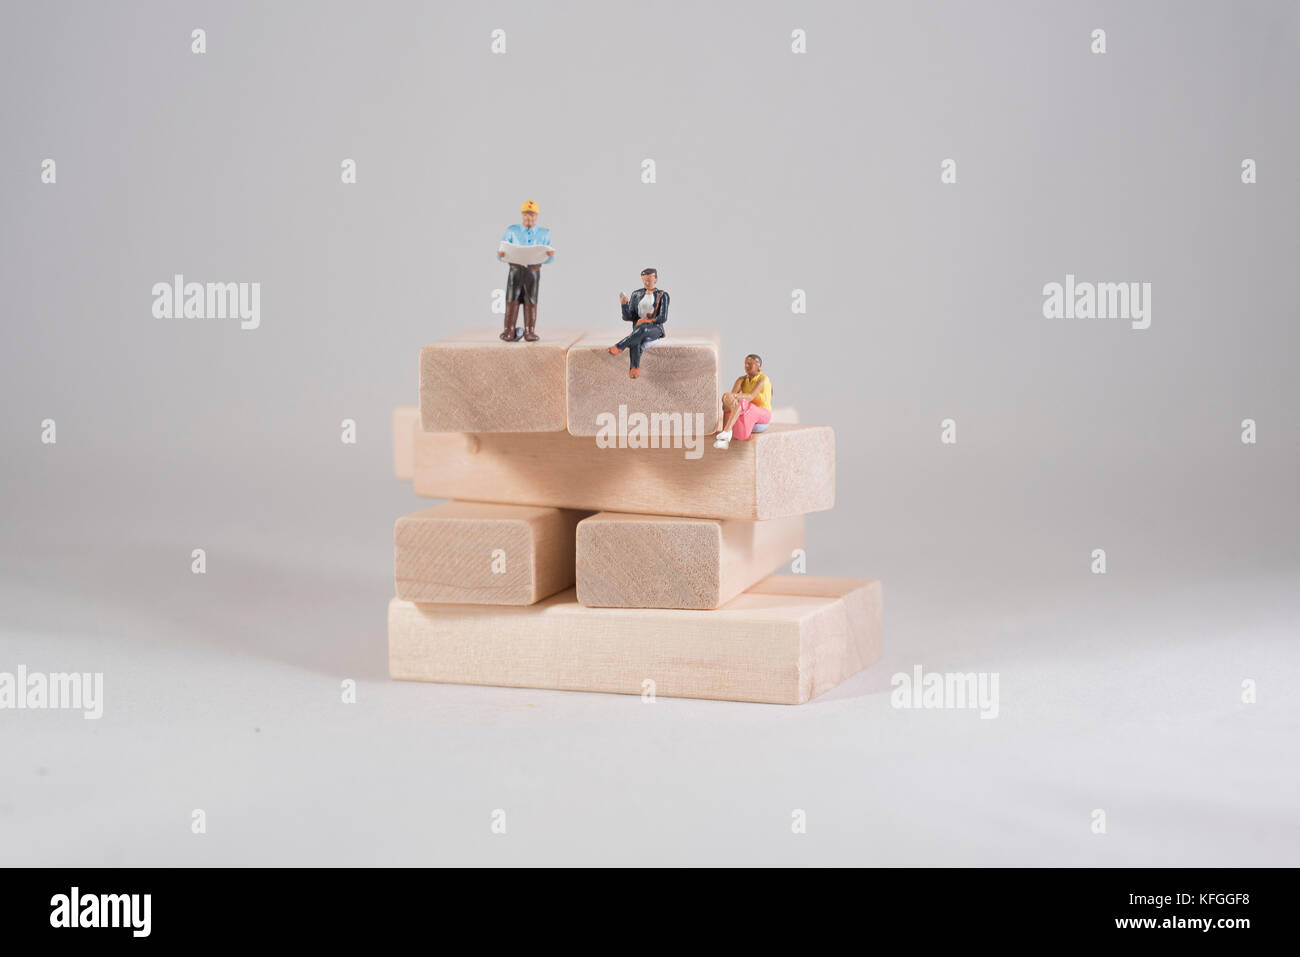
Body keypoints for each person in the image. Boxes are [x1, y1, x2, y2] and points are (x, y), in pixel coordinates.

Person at [496, 200, 554, 341]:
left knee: (531, 300)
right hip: (515, 270)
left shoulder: (544, 233)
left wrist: (549, 255)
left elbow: (549, 258)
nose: (530, 218)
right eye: (527, 215)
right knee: (511, 299)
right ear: (522, 216)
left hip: (533, 272)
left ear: (537, 216)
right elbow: (501, 251)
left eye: (532, 215)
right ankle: (509, 330)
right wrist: (501, 254)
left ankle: (530, 331)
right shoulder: (512, 231)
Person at [608, 268, 668, 378]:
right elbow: (628, 317)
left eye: (649, 280)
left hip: (655, 328)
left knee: (642, 329)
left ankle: (620, 346)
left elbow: (662, 318)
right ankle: (634, 368)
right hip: (638, 329)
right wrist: (624, 305)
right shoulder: (636, 294)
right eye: (644, 280)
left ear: (656, 279)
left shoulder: (663, 295)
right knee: (636, 338)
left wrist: (646, 320)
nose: (646, 283)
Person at [714, 354, 771, 449]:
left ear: (758, 366)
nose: (746, 366)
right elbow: (732, 398)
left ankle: (727, 431)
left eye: (750, 364)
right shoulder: (742, 379)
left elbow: (751, 396)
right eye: (745, 364)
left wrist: (735, 396)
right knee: (727, 403)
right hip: (746, 408)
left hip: (762, 412)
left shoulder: (763, 380)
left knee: (742, 402)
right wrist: (727, 398)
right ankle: (724, 437)